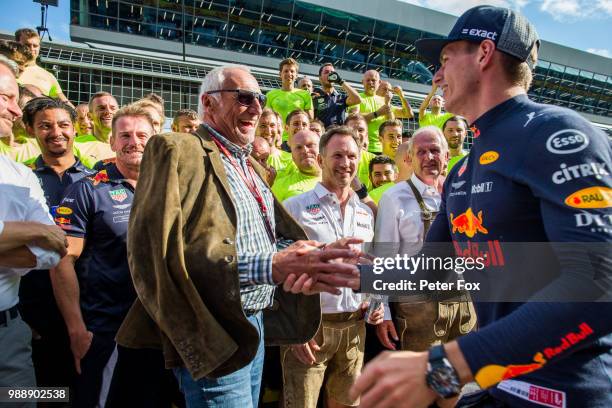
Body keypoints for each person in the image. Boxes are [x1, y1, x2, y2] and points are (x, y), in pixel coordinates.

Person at [352, 5, 612, 408]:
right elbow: (429, 271)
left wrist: (449, 364)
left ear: (485, 53)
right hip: (499, 387)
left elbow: (600, 282)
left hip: (568, 395)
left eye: (444, 59)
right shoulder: (461, 172)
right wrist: (346, 272)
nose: (436, 76)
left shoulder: (557, 133)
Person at [113, 65, 361, 407]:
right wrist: (272, 265)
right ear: (209, 103)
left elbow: (262, 241)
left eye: (259, 98)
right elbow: (157, 253)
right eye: (244, 97)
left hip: (255, 327)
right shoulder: (175, 149)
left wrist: (310, 254)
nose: (257, 107)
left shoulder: (251, 166)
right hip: (213, 331)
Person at [51, 104, 156, 407]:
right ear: (111, 142)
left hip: (156, 329)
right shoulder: (88, 190)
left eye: (141, 135)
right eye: (124, 135)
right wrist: (76, 329)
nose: (134, 142)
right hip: (105, 331)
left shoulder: (167, 186)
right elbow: (62, 260)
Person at [281, 126, 382, 408]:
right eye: (337, 155)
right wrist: (294, 330)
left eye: (351, 155)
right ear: (321, 158)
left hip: (354, 327)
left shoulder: (365, 213)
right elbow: (279, 273)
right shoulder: (294, 207)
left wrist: (376, 301)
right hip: (310, 328)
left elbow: (370, 265)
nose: (345, 163)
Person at [373, 126, 475, 359]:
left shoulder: (464, 193)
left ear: (447, 156)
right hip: (418, 309)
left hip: (463, 304)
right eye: (421, 152)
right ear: (409, 158)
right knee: (421, 383)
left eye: (435, 150)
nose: (429, 157)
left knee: (457, 381)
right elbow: (383, 258)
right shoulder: (395, 196)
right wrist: (385, 312)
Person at [0, 55, 66, 406]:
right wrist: (29, 229)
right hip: (29, 317)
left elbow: (54, 249)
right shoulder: (31, 171)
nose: (14, 109)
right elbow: (43, 236)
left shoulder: (19, 175)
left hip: (10, 334)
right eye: (7, 98)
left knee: (34, 398)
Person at [18, 97, 95, 394]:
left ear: (75, 129)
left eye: (63, 124)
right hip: (35, 312)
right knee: (43, 393)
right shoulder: (20, 179)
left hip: (90, 308)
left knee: (87, 389)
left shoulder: (97, 179)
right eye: (45, 126)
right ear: (29, 129)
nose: (56, 132)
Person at [354, 70, 413, 153]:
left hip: (382, 149)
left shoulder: (384, 101)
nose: (371, 82)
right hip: (363, 147)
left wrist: (401, 96)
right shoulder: (357, 98)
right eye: (368, 80)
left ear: (379, 82)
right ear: (362, 82)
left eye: (373, 80)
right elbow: (354, 120)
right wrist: (377, 113)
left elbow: (407, 114)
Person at [15, 28, 72, 105]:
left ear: (39, 47)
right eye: (27, 45)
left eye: (35, 46)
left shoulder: (49, 76)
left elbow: (62, 100)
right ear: (16, 44)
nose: (31, 49)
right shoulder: (7, 69)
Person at [265, 58, 313, 144]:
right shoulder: (270, 95)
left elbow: (309, 120)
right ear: (280, 74)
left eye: (292, 71)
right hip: (276, 139)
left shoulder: (305, 95)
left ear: (296, 75)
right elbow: (266, 118)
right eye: (286, 71)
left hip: (298, 140)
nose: (289, 74)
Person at [272, 129, 321, 202]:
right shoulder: (280, 186)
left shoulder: (337, 179)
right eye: (298, 147)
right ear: (292, 157)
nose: (305, 150)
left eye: (310, 145)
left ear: (322, 149)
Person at [74, 91, 118, 165]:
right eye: (101, 108)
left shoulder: (129, 143)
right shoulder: (76, 145)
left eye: (112, 108)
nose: (108, 111)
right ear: (90, 116)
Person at [312, 63, 361, 128]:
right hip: (320, 135)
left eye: (332, 73)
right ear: (320, 78)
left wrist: (340, 81)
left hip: (337, 135)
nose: (330, 74)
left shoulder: (340, 97)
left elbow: (357, 99)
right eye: (326, 72)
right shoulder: (314, 96)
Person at [345, 113, 376, 191]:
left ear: (366, 135)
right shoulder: (334, 158)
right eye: (351, 130)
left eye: (361, 130)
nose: (356, 134)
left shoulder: (374, 160)